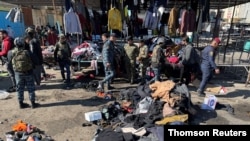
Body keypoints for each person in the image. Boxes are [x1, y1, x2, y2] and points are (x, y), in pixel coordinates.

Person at [9, 37, 38, 109]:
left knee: (19, 88)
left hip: (18, 73)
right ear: (23, 43)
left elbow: (9, 63)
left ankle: (21, 104)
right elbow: (36, 61)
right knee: (31, 88)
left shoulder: (10, 52)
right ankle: (33, 103)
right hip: (28, 72)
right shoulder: (27, 52)